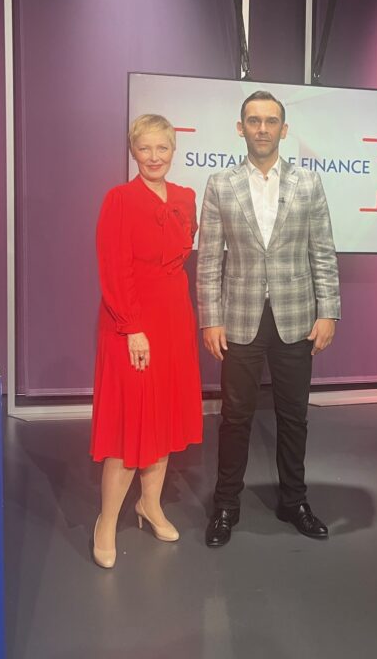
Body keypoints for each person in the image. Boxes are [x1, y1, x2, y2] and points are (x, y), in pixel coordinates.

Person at [197, 90, 341, 547]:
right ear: (240, 128)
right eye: (254, 121)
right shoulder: (220, 184)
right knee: (235, 416)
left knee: (294, 416)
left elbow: (323, 252)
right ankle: (226, 504)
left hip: (296, 317)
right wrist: (210, 319)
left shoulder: (309, 183)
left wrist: (329, 311)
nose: (262, 128)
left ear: (284, 129)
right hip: (238, 317)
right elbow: (208, 260)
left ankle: (294, 501)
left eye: (271, 121)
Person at [90, 114, 203, 568]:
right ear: (132, 151)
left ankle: (149, 505)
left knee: (163, 418)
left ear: (173, 150)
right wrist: (132, 326)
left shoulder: (186, 197)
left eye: (162, 148)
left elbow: (180, 255)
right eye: (145, 148)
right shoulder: (119, 199)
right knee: (130, 424)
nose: (154, 157)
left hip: (174, 318)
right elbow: (113, 267)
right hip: (130, 323)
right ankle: (106, 521)